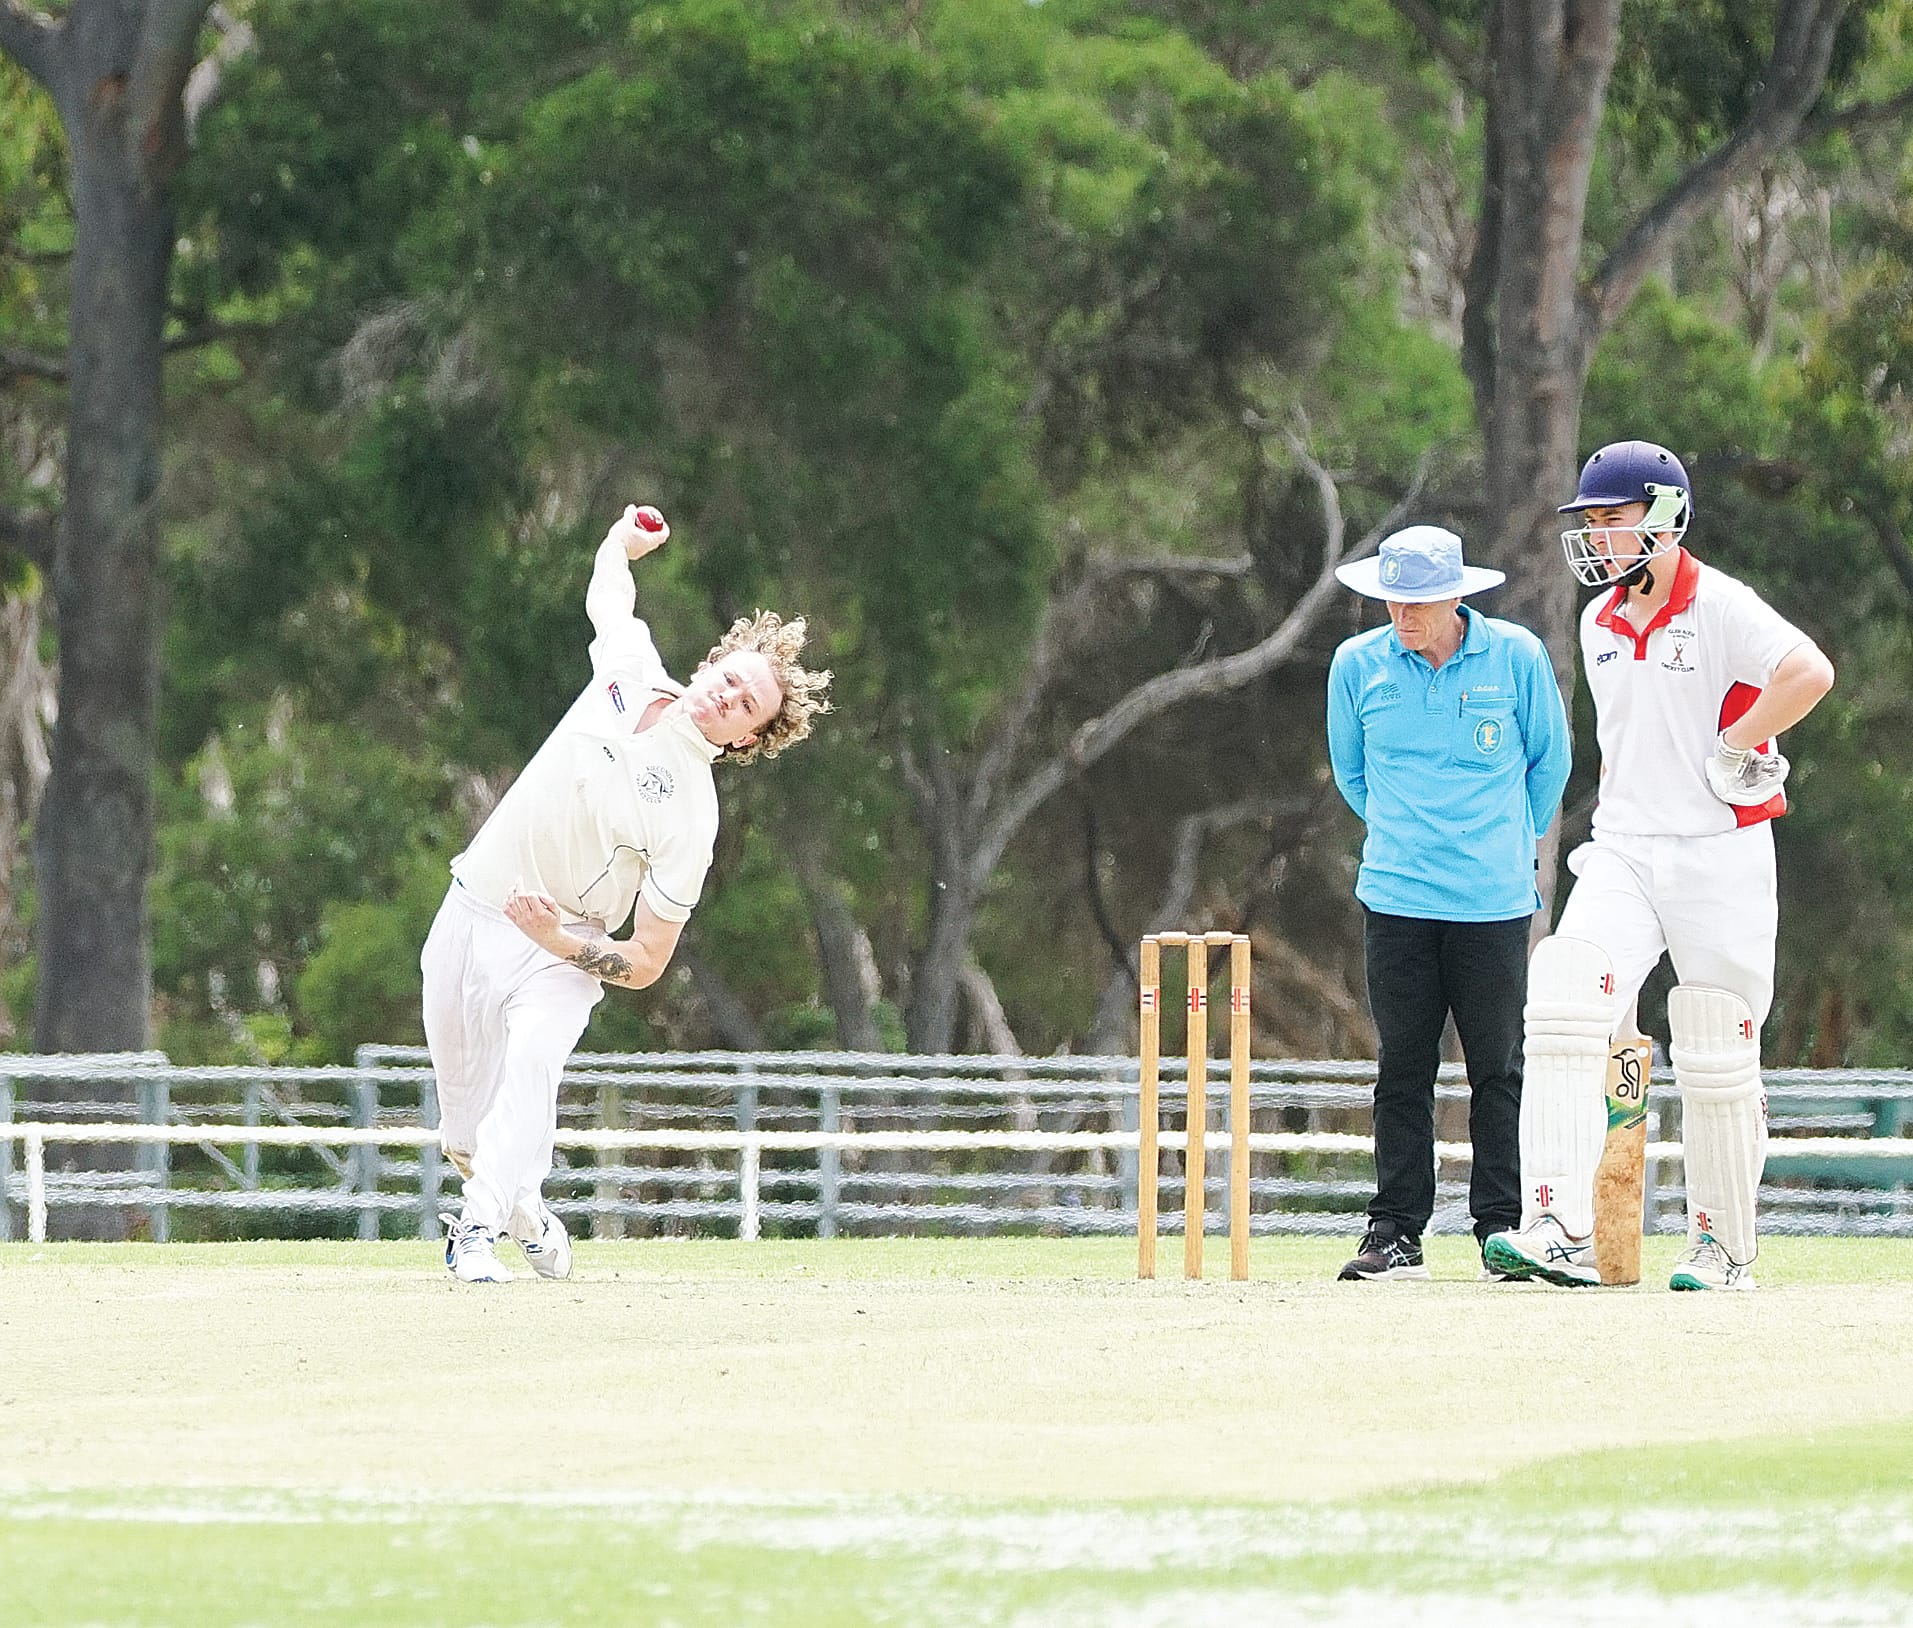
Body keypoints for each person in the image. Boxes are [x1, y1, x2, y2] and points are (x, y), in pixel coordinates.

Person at [422, 505, 832, 1283]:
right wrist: (620, 541)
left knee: (535, 1060)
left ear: (747, 739)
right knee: (468, 1135)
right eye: (731, 680)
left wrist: (563, 946)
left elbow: (645, 960)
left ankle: (473, 1234)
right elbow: (610, 597)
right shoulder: (627, 672)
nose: (727, 697)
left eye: (746, 705)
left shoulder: (692, 815)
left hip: (563, 946)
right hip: (474, 904)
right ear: (713, 663)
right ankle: (524, 1211)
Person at [1484, 441, 1834, 1291]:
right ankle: (1555, 1224)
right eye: (1590, 523)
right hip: (1625, 851)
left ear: (1665, 516)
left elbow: (1808, 671)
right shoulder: (1597, 620)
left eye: (1611, 519)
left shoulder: (1718, 605)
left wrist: (1738, 742)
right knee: (1563, 990)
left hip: (1720, 856)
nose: (1598, 538)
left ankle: (1721, 1249)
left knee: (1715, 1044)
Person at [1326, 525, 1573, 1283]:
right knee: (1402, 1067)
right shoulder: (1355, 666)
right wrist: (1412, 837)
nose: (1403, 615)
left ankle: (1502, 1230)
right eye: (1392, 599)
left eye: (1420, 601)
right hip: (1396, 896)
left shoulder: (1517, 657)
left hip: (1493, 901)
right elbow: (1352, 775)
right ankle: (1395, 1233)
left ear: (1457, 595)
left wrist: (1499, 843)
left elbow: (1549, 763)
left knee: (1495, 1069)